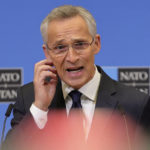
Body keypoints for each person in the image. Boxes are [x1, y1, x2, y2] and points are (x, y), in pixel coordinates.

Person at [2, 4, 150, 150]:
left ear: (96, 44)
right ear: (47, 53)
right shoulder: (29, 98)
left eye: (79, 44)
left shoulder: (134, 104)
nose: (72, 58)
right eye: (60, 47)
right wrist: (40, 108)